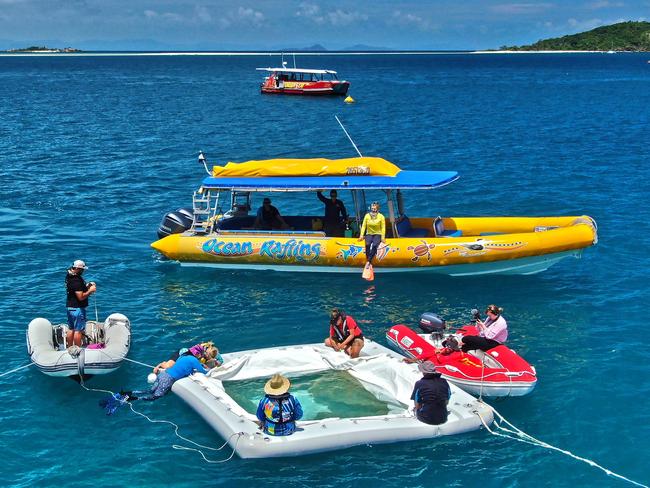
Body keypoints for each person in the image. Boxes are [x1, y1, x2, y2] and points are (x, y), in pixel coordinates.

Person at [122, 354, 213, 401]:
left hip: (163, 374)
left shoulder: (184, 357)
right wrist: (211, 369)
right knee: (156, 396)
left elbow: (182, 367)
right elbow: (204, 372)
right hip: (168, 379)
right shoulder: (194, 360)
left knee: (150, 391)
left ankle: (128, 392)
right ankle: (133, 399)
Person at [65, 259, 97, 347]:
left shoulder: (69, 276)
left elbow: (76, 290)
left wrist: (86, 286)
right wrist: (90, 291)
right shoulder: (76, 281)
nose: (83, 271)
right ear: (78, 269)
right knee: (78, 331)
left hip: (70, 307)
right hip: (78, 309)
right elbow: (81, 297)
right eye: (82, 270)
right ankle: (78, 350)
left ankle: (70, 348)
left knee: (71, 329)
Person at [410, 361, 451, 425]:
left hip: (426, 418)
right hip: (443, 417)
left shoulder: (419, 383)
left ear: (423, 372)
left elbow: (417, 405)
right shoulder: (444, 381)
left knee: (414, 409)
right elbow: (446, 402)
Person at [155, 341, 223, 372]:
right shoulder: (198, 351)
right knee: (169, 367)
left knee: (211, 364)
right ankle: (161, 364)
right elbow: (193, 361)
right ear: (206, 353)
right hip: (181, 354)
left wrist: (217, 362)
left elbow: (220, 360)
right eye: (208, 357)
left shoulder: (213, 351)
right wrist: (202, 365)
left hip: (191, 358)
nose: (209, 358)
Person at [358, 201, 386, 268]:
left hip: (378, 234)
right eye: (372, 208)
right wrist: (361, 235)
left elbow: (383, 227)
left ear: (377, 209)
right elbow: (364, 226)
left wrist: (383, 237)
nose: (373, 210)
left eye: (374, 208)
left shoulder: (381, 216)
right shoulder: (367, 216)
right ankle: (369, 261)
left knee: (375, 245)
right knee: (367, 244)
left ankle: (368, 261)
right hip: (369, 234)